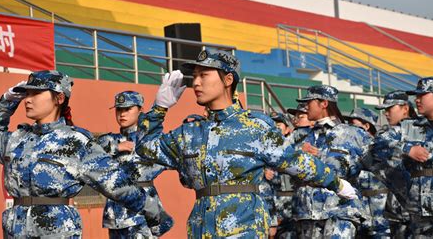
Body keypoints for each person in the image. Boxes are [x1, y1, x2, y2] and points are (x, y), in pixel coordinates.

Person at [135, 50, 357, 238]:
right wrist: (159, 109)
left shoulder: (254, 127)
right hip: (201, 227)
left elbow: (295, 161)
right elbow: (146, 148)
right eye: (194, 76)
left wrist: (336, 183)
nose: (196, 82)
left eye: (204, 75)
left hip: (244, 227)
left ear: (228, 80)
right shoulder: (189, 133)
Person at [0, 70, 158, 238]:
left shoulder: (76, 141)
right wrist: (6, 101)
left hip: (57, 229)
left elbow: (117, 184)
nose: (28, 100)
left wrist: (156, 215)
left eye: (36, 94)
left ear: (59, 98)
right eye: (27, 93)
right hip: (15, 229)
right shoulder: (16, 140)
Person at [294, 85, 372, 238]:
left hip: (339, 210)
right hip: (308, 213)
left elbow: (378, 164)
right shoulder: (301, 137)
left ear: (324, 103)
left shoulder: (351, 133)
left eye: (309, 101)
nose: (305, 106)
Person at [97, 91, 173, 238]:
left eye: (127, 109)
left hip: (142, 213)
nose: (122, 114)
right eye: (119, 109)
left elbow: (170, 155)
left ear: (140, 110)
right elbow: (90, 155)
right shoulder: (107, 140)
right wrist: (117, 147)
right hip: (115, 216)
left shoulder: (148, 140)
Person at [371, 77, 433, 238]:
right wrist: (407, 149)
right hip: (420, 214)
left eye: (422, 95)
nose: (417, 100)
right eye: (416, 96)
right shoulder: (409, 127)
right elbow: (378, 143)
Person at [374, 90, 415, 238]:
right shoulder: (386, 136)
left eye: (389, 109)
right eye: (385, 110)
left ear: (405, 108)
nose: (386, 113)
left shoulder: (423, 131)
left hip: (420, 208)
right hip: (396, 209)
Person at [345, 108, 391, 239]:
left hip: (381, 216)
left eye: (354, 124)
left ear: (366, 126)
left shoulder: (380, 146)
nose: (350, 129)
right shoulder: (350, 149)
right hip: (358, 216)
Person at [266, 112, 297, 239]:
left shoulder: (294, 147)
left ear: (287, 129)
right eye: (272, 124)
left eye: (278, 124)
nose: (275, 127)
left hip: (292, 206)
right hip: (272, 205)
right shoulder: (264, 149)